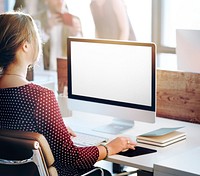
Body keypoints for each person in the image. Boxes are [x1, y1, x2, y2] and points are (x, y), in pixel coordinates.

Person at [0, 11, 137, 176]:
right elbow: (72, 159)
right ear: (26, 45)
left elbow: (15, 128)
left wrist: (52, 124)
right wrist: (109, 148)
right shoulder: (40, 97)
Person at [34, 0, 83, 70]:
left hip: (65, 71)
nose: (60, 1)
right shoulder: (36, 19)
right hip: (44, 72)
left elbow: (80, 51)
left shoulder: (74, 20)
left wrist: (75, 34)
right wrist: (45, 31)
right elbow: (32, 47)